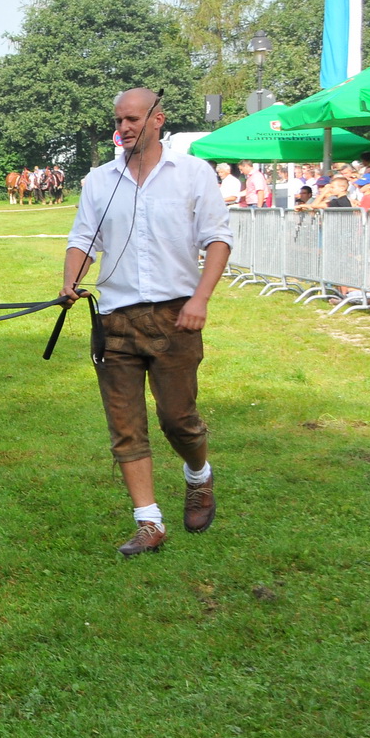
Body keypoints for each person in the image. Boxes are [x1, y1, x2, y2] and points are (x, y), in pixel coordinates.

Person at [60, 88, 232, 557]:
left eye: (133, 119)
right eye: (119, 120)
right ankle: (148, 522)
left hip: (176, 317)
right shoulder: (99, 180)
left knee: (179, 420)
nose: (124, 127)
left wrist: (200, 299)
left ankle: (198, 474)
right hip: (114, 320)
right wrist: (71, 280)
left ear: (158, 119)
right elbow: (83, 239)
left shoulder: (193, 173)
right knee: (125, 427)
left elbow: (218, 239)